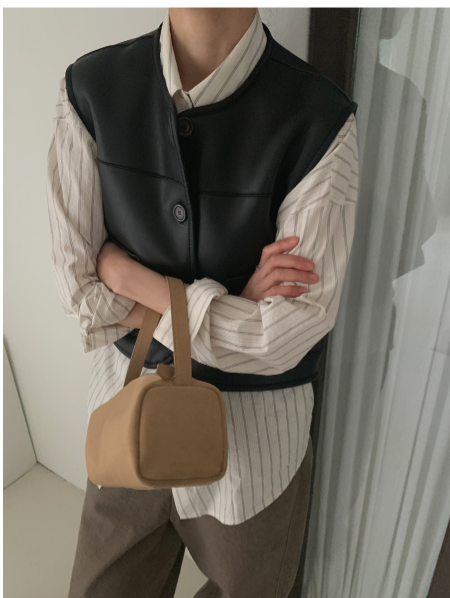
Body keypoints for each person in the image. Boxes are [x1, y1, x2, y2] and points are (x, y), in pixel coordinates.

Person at [46, 7, 358, 598]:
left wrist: (129, 277)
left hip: (254, 461)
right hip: (125, 418)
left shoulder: (320, 119)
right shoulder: (89, 91)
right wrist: (237, 303)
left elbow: (285, 335)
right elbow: (77, 289)